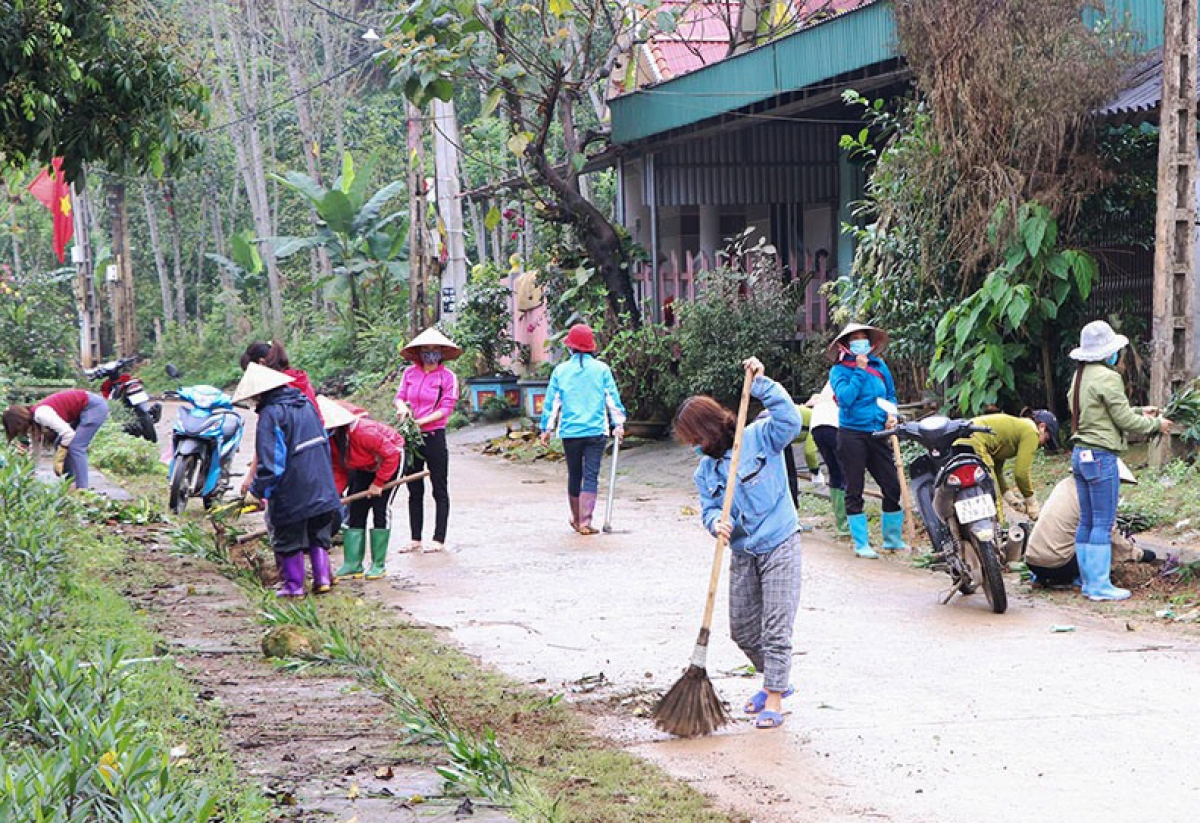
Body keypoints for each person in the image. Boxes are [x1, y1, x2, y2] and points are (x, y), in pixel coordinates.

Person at [674, 357, 802, 730]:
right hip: (744, 551)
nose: (694, 447)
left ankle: (775, 696)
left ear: (711, 427)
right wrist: (716, 523)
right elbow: (708, 508)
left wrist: (763, 385)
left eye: (696, 439)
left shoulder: (760, 437)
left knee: (776, 627)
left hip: (779, 542)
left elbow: (790, 421)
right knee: (743, 629)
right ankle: (776, 678)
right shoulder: (706, 472)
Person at [1067, 320, 1171, 601]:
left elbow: (1104, 411)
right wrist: (1155, 425)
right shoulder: (1108, 376)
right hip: (1101, 456)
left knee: (1087, 521)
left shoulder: (1080, 376)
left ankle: (1086, 580)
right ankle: (1099, 585)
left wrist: (1142, 411)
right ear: (1107, 351)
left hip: (1080, 455)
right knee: (1103, 522)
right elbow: (1123, 419)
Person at [236, 363, 342, 598]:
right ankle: (323, 579)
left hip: (293, 487)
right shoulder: (306, 403)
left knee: (288, 535)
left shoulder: (271, 414)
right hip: (322, 481)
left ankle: (294, 586)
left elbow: (272, 461)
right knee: (318, 530)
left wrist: (258, 490)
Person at [538, 324, 627, 535]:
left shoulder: (560, 371)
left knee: (574, 475)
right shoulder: (602, 369)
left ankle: (577, 519)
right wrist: (619, 424)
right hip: (596, 431)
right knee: (591, 475)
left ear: (570, 347)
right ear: (590, 347)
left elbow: (552, 403)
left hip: (570, 432)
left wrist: (546, 429)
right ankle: (586, 521)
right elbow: (612, 399)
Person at [827, 323, 904, 559]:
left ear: (871, 344)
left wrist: (892, 415)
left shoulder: (880, 366)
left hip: (878, 432)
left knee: (892, 485)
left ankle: (892, 539)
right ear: (846, 346)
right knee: (855, 488)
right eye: (855, 340)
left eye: (864, 339)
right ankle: (862, 543)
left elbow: (890, 395)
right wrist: (859, 371)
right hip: (851, 434)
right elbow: (846, 399)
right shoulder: (839, 372)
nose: (860, 343)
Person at [1025, 460, 1155, 586]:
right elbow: (1111, 536)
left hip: (1032, 561)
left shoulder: (1065, 484)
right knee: (1099, 545)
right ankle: (1088, 581)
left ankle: (1046, 579)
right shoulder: (1095, 495)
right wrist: (1139, 554)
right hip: (1058, 565)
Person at [318, 396, 405, 581]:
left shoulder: (365, 431)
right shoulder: (332, 442)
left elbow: (391, 455)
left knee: (381, 508)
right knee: (355, 508)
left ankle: (378, 565)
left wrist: (379, 483)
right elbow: (339, 469)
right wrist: (335, 494)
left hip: (389, 461)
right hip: (363, 466)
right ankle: (353, 564)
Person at [395, 327, 460, 553]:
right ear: (419, 352)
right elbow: (400, 397)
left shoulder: (447, 377)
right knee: (414, 487)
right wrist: (403, 409)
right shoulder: (409, 374)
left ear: (441, 352)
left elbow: (446, 408)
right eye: (425, 350)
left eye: (434, 350)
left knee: (439, 487)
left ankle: (438, 538)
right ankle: (415, 538)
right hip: (412, 438)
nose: (429, 354)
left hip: (434, 435)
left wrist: (421, 423)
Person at [239, 341, 320, 496]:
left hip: (294, 466)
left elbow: (270, 443)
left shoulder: (277, 394)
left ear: (261, 364)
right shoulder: (300, 383)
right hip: (316, 458)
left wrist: (255, 484)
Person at [3, 389, 109, 489]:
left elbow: (68, 434)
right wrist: (30, 474)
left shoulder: (41, 414)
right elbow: (36, 451)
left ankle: (81, 488)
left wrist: (60, 456)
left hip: (93, 406)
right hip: (84, 409)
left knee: (76, 446)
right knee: (59, 442)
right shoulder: (35, 421)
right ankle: (69, 482)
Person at [965, 409, 1059, 520]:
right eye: (1046, 439)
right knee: (993, 496)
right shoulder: (1031, 431)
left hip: (964, 437)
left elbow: (997, 470)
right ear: (1042, 427)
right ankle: (999, 532)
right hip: (976, 442)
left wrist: (1011, 499)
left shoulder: (1013, 431)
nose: (1042, 444)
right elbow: (1021, 474)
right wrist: (1031, 502)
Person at [808, 381, 849, 539]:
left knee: (834, 471)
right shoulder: (848, 375)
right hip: (834, 423)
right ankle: (848, 520)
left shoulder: (832, 379)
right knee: (845, 469)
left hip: (817, 425)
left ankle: (841, 523)